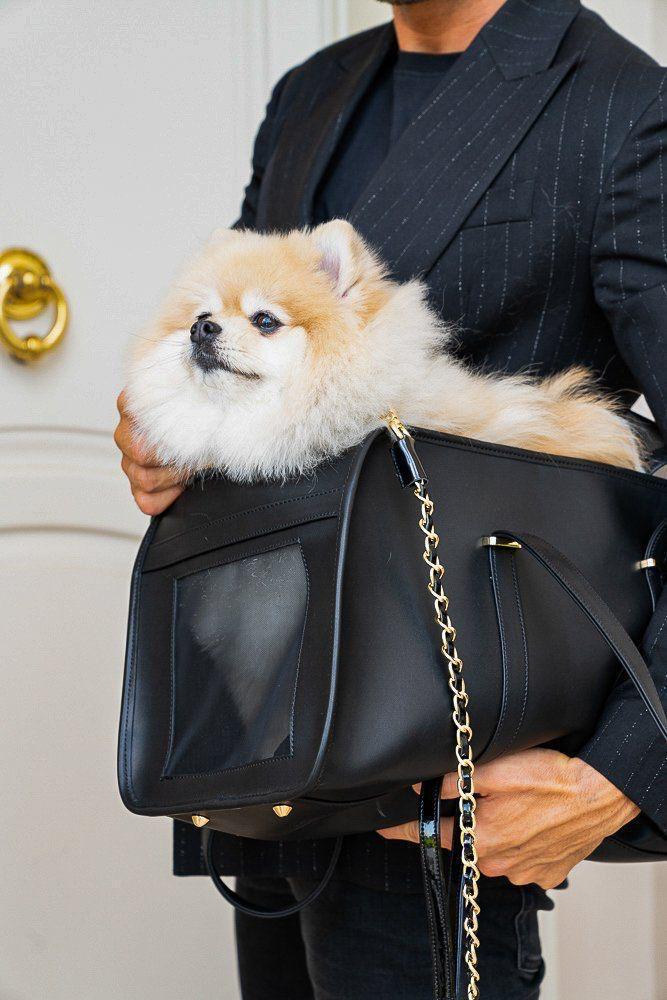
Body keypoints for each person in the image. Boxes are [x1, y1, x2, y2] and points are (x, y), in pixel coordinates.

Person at [114, 0, 667, 996]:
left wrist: (623, 773)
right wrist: (168, 428)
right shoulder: (310, 94)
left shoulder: (624, 108)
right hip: (266, 756)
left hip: (441, 793)